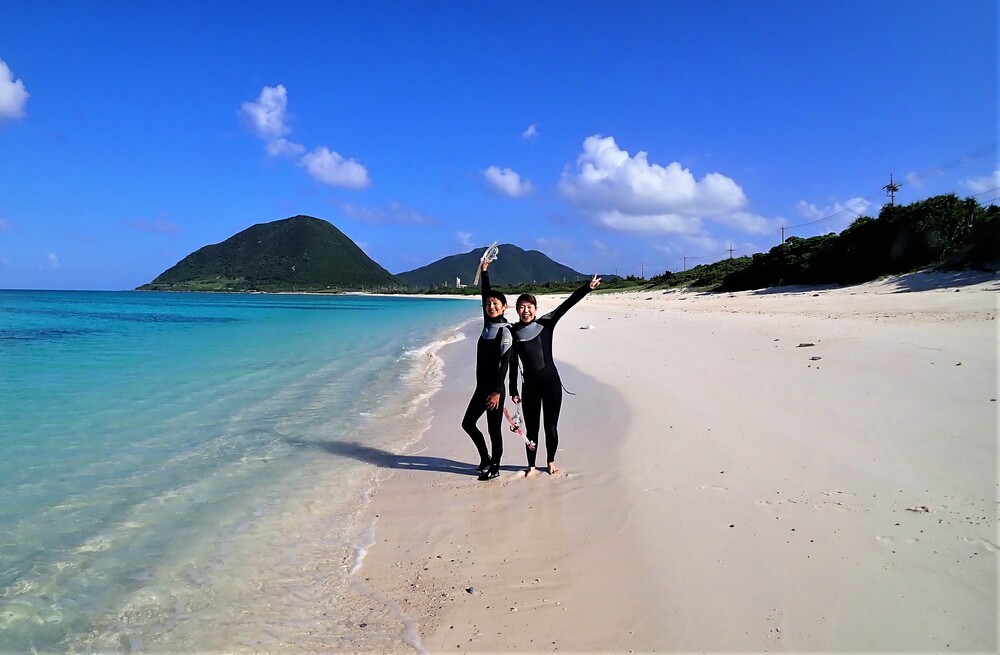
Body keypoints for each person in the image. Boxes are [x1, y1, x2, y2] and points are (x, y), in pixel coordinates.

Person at [509, 274, 601, 477]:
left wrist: (587, 288)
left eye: (529, 307)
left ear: (535, 309)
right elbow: (513, 363)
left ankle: (550, 461)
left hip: (551, 384)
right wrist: (513, 389)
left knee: (551, 426)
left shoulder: (546, 323)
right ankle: (531, 466)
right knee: (532, 429)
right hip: (530, 387)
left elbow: (566, 304)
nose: (526, 311)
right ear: (517, 310)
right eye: (521, 307)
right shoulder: (513, 332)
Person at [461, 258, 512, 481]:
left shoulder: (505, 332)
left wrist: (497, 392)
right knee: (468, 423)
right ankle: (485, 458)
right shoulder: (487, 325)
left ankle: (495, 467)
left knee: (494, 430)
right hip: (481, 387)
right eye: (488, 304)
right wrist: (484, 271)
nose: (491, 306)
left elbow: (505, 365)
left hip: (494, 389)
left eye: (495, 304)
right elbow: (485, 294)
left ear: (504, 307)